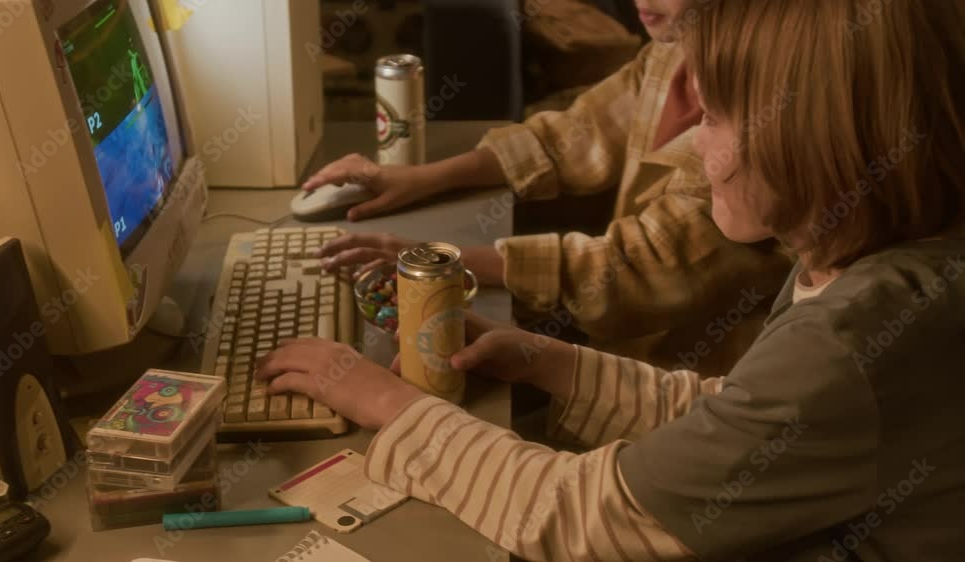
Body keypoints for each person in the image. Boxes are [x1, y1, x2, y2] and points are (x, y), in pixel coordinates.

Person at [256, 0, 965, 559]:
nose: (692, 146)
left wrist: (377, 396)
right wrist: (548, 361)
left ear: (806, 137)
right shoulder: (856, 260)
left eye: (712, 119)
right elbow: (727, 416)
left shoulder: (853, 334)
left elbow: (580, 514)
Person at [303, 0, 792, 376]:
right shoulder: (670, 54)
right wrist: (421, 178)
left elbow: (631, 269)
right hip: (614, 356)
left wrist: (438, 262)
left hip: (686, 387)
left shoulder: (761, 115)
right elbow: (573, 134)